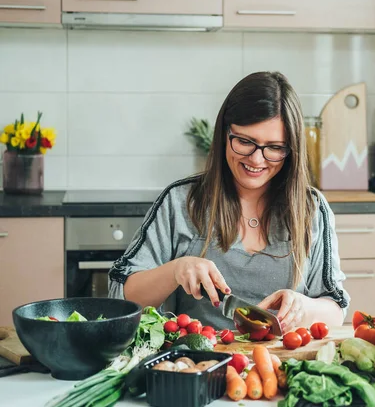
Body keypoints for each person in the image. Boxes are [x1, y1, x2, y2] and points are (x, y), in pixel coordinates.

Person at [108, 71, 350, 334]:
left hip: (281, 368)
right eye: (245, 142)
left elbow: (335, 310)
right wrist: (176, 270)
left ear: (291, 150)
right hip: (198, 363)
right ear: (224, 134)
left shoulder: (311, 209)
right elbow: (120, 297)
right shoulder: (181, 202)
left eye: (275, 147)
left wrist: (304, 308)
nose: (257, 160)